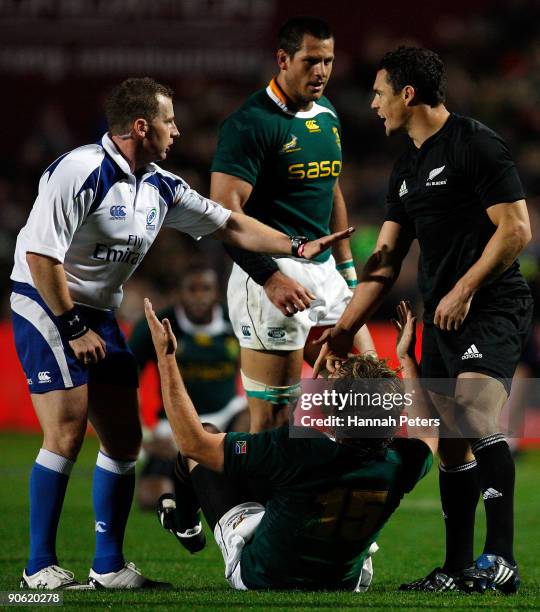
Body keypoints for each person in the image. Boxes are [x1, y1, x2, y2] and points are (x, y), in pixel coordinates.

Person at [10, 77, 351, 590]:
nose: (177, 129)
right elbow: (40, 256)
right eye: (169, 120)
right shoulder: (79, 170)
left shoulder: (161, 185)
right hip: (47, 303)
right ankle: (38, 567)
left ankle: (108, 567)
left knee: (125, 441)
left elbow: (230, 225)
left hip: (100, 312)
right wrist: (73, 325)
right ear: (141, 125)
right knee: (67, 430)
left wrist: (295, 244)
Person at [313, 47, 533, 593]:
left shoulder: (475, 143)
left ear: (407, 94)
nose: (373, 103)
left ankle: (499, 559)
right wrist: (341, 332)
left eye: (379, 92)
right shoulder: (407, 167)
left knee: (477, 415)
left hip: (490, 304)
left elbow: (516, 229)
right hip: (440, 314)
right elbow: (384, 263)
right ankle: (457, 567)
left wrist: (464, 288)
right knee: (451, 443)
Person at [146, 297, 438, 591]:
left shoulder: (298, 449)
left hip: (262, 576)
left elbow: (194, 444)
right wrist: (406, 358)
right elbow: (429, 429)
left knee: (207, 438)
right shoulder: (404, 462)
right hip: (343, 581)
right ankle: (184, 522)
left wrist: (166, 359)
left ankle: (185, 524)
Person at [210, 16, 374, 433]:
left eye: (329, 61)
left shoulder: (328, 113)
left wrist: (348, 272)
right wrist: (270, 279)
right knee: (274, 422)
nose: (321, 71)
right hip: (270, 276)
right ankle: (229, 492)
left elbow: (330, 188)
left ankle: (332, 497)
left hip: (326, 275)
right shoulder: (249, 124)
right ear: (283, 59)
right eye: (311, 60)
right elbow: (225, 218)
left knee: (367, 397)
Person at [129, 264, 246, 513]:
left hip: (228, 415)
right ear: (178, 293)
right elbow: (125, 381)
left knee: (252, 419)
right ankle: (201, 483)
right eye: (191, 290)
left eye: (206, 289)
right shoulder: (157, 326)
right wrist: (143, 438)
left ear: (217, 292)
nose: (199, 296)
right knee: (152, 498)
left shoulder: (235, 320)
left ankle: (246, 476)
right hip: (175, 427)